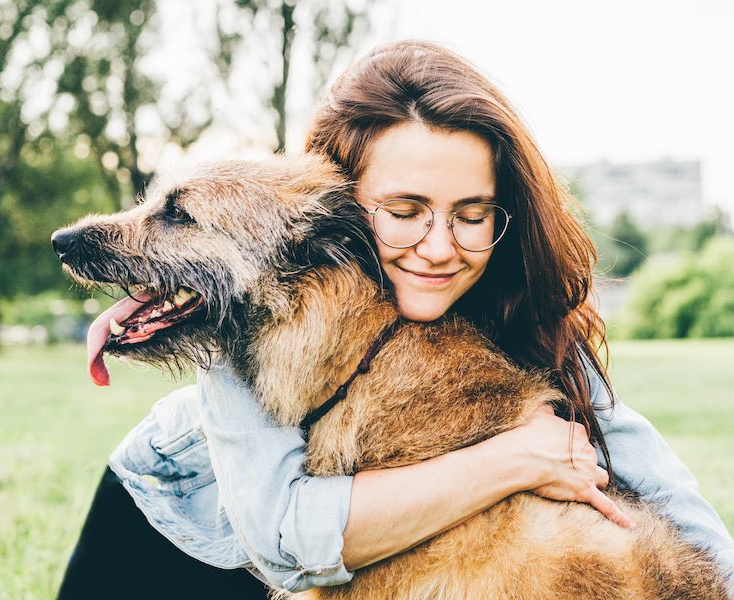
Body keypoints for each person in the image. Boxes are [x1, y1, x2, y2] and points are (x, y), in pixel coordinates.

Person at [57, 40, 734, 598]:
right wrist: (514, 459)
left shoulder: (514, 301)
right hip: (182, 528)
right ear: (344, 214)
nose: (438, 247)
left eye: (470, 215)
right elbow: (285, 539)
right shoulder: (269, 306)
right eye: (405, 212)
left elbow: (671, 500)